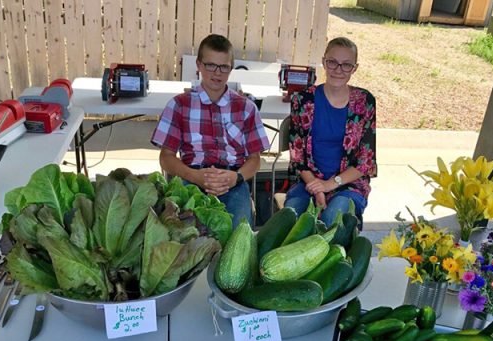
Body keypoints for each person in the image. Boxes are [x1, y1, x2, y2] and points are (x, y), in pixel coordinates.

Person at [151, 34, 270, 228]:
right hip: (191, 177)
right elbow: (166, 157)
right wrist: (194, 176)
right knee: (185, 235)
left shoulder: (246, 107)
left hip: (232, 180)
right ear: (198, 65)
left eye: (224, 67)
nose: (217, 73)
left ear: (231, 68)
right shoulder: (179, 105)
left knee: (239, 234)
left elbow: (254, 160)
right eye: (210, 65)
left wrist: (236, 178)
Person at [284, 36, 377, 228]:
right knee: (291, 220)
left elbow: (365, 162)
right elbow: (297, 156)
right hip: (307, 181)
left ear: (355, 68)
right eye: (332, 62)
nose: (338, 70)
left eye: (346, 65)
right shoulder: (303, 100)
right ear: (324, 61)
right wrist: (317, 188)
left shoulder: (364, 101)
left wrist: (329, 185)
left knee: (332, 221)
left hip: (348, 184)